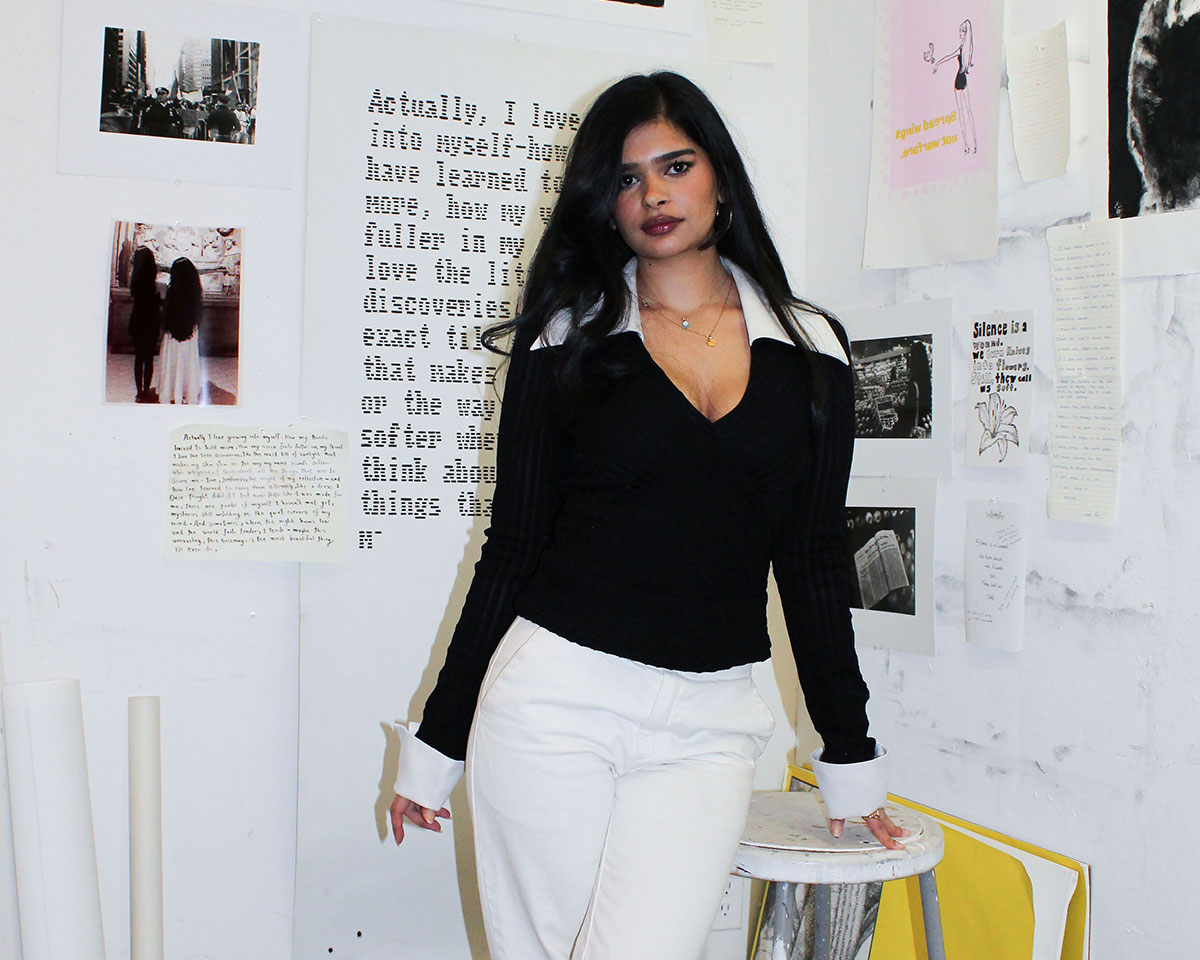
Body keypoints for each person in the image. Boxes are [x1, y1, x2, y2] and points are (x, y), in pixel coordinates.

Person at [389, 72, 903, 960]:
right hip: (556, 704)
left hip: (710, 722)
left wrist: (849, 759)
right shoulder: (567, 338)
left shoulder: (812, 349)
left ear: (720, 178)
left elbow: (814, 559)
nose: (654, 195)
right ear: (605, 200)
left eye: (676, 166)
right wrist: (437, 746)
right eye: (628, 178)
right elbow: (511, 547)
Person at [153, 257, 205, 404]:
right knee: (187, 362)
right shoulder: (196, 292)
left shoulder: (172, 291)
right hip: (190, 332)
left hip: (173, 332)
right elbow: (197, 313)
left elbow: (168, 312)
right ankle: (186, 391)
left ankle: (170, 390)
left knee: (172, 361)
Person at [933, 19, 978, 154]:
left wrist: (938, 64)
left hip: (960, 80)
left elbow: (950, 56)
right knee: (966, 111)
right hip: (961, 79)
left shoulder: (964, 49)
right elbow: (950, 56)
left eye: (961, 31)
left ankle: (969, 145)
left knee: (964, 112)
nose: (959, 34)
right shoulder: (967, 49)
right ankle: (970, 144)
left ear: (965, 32)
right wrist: (938, 64)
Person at [126, 247, 161, 402]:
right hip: (151, 319)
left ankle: (139, 392)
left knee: (139, 358)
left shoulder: (135, 281)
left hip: (138, 319)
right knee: (149, 358)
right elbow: (156, 301)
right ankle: (146, 390)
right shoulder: (152, 281)